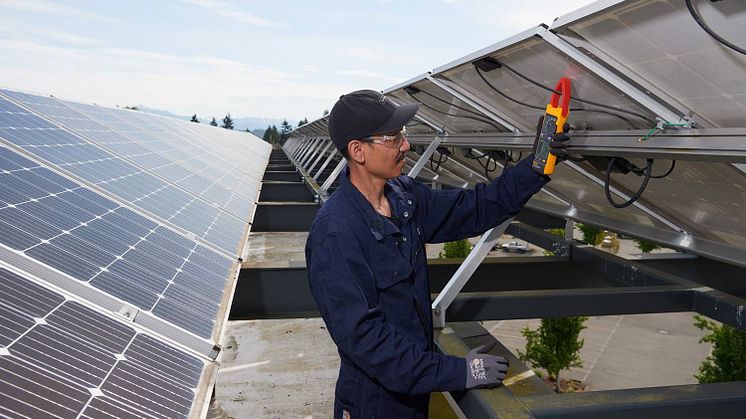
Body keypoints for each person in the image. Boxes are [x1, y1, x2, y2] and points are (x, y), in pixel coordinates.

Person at [305, 90, 570, 419]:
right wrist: (460, 372)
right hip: (375, 404)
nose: (405, 145)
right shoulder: (336, 234)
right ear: (358, 150)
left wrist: (535, 166)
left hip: (414, 390)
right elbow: (368, 342)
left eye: (403, 135)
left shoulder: (404, 198)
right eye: (393, 138)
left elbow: (476, 207)